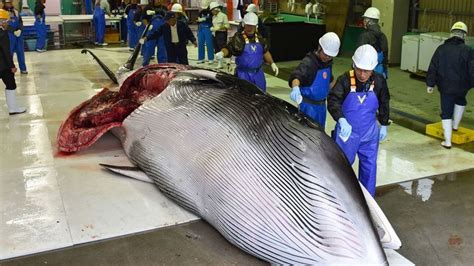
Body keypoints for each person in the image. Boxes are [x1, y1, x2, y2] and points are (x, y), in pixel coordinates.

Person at [327, 44, 390, 197]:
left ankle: (368, 201)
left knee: (369, 169)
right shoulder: (345, 80)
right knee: (342, 169)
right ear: (354, 65)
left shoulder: (379, 82)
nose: (362, 74)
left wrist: (384, 123)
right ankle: (339, 199)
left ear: (373, 69)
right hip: (347, 135)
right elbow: (333, 100)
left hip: (369, 135)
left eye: (366, 71)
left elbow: (384, 102)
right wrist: (341, 119)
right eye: (359, 69)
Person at [426, 21, 474, 149]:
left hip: (446, 86)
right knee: (461, 101)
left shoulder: (441, 49)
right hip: (463, 87)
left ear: (451, 33)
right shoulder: (468, 51)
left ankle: (447, 142)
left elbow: (433, 67)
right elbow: (472, 70)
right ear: (464, 35)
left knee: (446, 112)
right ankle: (455, 126)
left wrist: (430, 84)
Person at [215, 12, 278, 92]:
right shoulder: (238, 39)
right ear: (243, 25)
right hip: (243, 75)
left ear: (256, 26)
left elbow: (265, 51)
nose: (250, 28)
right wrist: (222, 53)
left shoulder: (260, 38)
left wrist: (272, 63)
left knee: (261, 95)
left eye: (252, 26)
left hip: (258, 74)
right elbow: (229, 49)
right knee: (243, 97)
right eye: (248, 25)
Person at [288, 32, 340, 129]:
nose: (327, 58)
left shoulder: (328, 63)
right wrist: (295, 88)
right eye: (325, 54)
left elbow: (329, 80)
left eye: (330, 56)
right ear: (319, 47)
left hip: (321, 107)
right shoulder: (309, 62)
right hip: (308, 108)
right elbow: (297, 76)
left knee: (320, 134)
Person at [1, 9, 26, 115]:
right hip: (3, 66)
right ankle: (13, 108)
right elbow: (6, 51)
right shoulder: (2, 34)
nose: (7, 22)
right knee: (11, 84)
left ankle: (13, 108)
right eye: (6, 21)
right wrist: (12, 66)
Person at [356, 7, 388, 78]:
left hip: (366, 74)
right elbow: (385, 59)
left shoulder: (364, 37)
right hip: (380, 73)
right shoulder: (383, 36)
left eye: (364, 19)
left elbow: (358, 58)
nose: (363, 21)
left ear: (367, 21)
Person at [3, 0, 27, 74]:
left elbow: (20, 22)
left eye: (10, 2)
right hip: (8, 36)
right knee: (9, 53)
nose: (9, 4)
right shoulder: (2, 12)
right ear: (4, 3)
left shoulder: (15, 12)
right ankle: (9, 69)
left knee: (20, 52)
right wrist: (13, 30)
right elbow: (3, 24)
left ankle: (23, 69)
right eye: (8, 3)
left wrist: (20, 29)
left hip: (18, 36)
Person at [209, 1, 229, 68]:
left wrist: (219, 27)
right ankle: (219, 63)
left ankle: (227, 61)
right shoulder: (213, 17)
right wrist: (213, 28)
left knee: (222, 47)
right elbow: (214, 25)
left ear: (216, 9)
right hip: (215, 34)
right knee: (216, 48)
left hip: (222, 33)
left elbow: (227, 26)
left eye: (212, 10)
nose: (212, 12)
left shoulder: (223, 16)